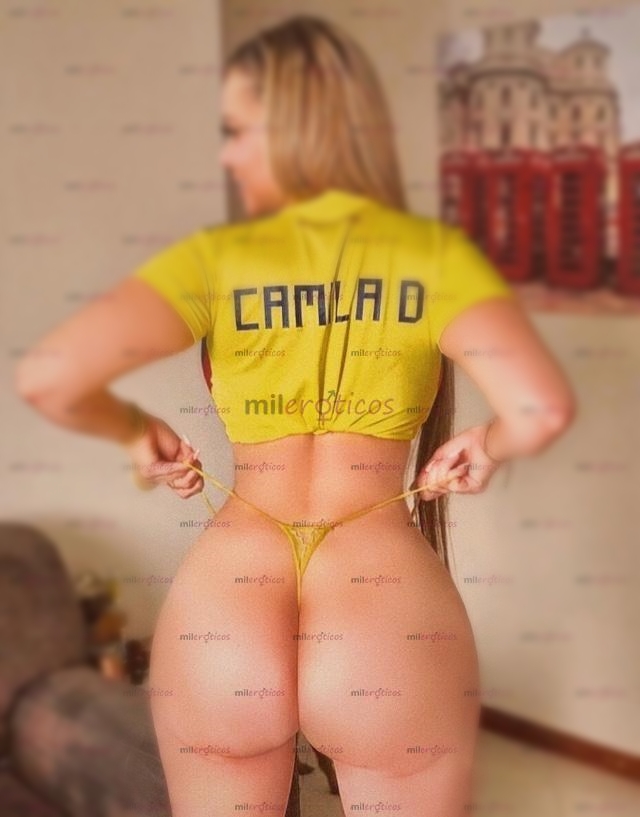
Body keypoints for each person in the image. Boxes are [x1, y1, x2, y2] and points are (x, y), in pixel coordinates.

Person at [14, 14, 576, 817]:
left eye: (239, 131)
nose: (229, 155)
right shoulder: (432, 258)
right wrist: (486, 443)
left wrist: (135, 434)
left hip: (227, 602)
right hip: (381, 592)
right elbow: (541, 407)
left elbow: (51, 376)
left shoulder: (215, 260)